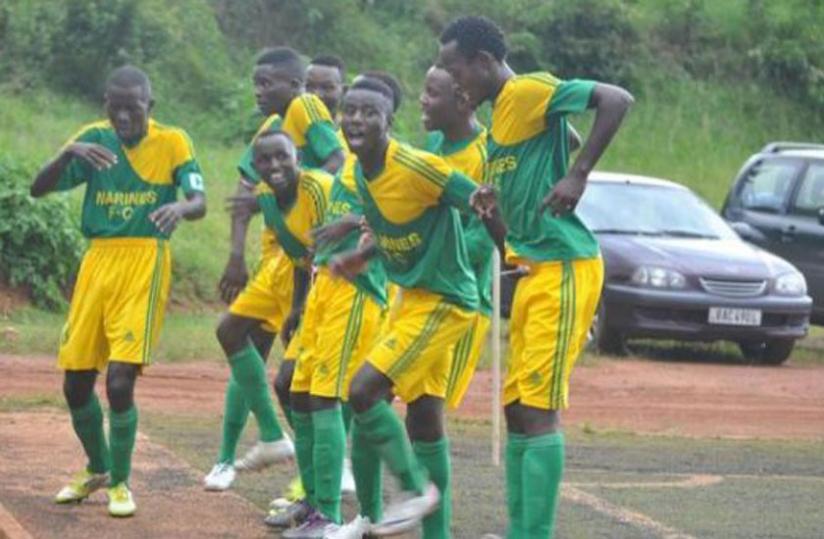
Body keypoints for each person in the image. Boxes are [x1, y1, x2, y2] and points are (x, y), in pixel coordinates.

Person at [438, 16, 634, 538]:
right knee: (516, 408)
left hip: (564, 265)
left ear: (483, 63)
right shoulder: (505, 112)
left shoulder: (524, 90)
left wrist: (577, 173)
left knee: (537, 407)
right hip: (530, 269)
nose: (454, 85)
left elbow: (616, 99)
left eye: (457, 72)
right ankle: (521, 529)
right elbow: (563, 131)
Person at [326, 78, 501, 538]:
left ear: (389, 122)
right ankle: (405, 520)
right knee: (421, 416)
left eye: (369, 113)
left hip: (447, 300)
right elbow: (392, 226)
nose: (357, 120)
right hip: (413, 297)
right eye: (351, 111)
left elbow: (482, 202)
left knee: (364, 391)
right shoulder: (364, 171)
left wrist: (516, 258)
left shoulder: (419, 165)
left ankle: (413, 489)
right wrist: (360, 256)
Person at [31, 65, 207, 517]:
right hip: (97, 262)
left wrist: (181, 207)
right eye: (116, 107)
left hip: (144, 260)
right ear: (105, 105)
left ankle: (122, 483)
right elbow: (38, 189)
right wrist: (67, 152)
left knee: (120, 379)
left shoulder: (173, 141)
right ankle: (98, 468)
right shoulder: (94, 138)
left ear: (151, 106)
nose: (124, 116)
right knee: (75, 383)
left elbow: (199, 201)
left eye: (134, 107)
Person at [206, 46, 344, 492]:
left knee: (299, 374)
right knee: (242, 343)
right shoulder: (269, 129)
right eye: (256, 84)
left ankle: (319, 474)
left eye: (266, 84)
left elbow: (337, 164)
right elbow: (245, 192)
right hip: (276, 256)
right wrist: (236, 255)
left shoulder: (305, 107)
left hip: (305, 255)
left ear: (293, 85)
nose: (258, 91)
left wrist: (299, 209)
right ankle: (248, 448)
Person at [418, 65, 492, 538]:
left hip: (460, 302)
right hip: (418, 297)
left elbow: (483, 238)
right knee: (411, 412)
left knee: (425, 413)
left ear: (464, 101)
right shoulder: (430, 150)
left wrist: (433, 255)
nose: (422, 100)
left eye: (432, 92)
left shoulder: (483, 156)